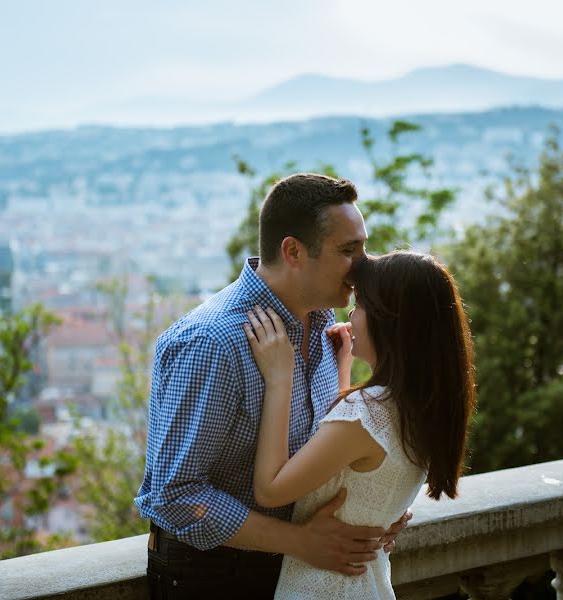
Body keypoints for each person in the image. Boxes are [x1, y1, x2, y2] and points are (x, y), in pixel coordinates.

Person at [135, 173, 410, 599]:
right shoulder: (212, 343)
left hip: (294, 571)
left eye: (363, 247)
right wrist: (301, 542)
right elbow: (174, 495)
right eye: (348, 250)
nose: (364, 264)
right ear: (294, 251)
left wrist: (368, 516)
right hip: (214, 578)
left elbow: (322, 454)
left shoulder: (324, 329)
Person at [244, 251, 476, 599]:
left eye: (362, 303)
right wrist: (343, 370)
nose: (352, 313)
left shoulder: (365, 415)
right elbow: (351, 465)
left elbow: (271, 489)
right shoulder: (421, 406)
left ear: (390, 321)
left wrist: (281, 378)